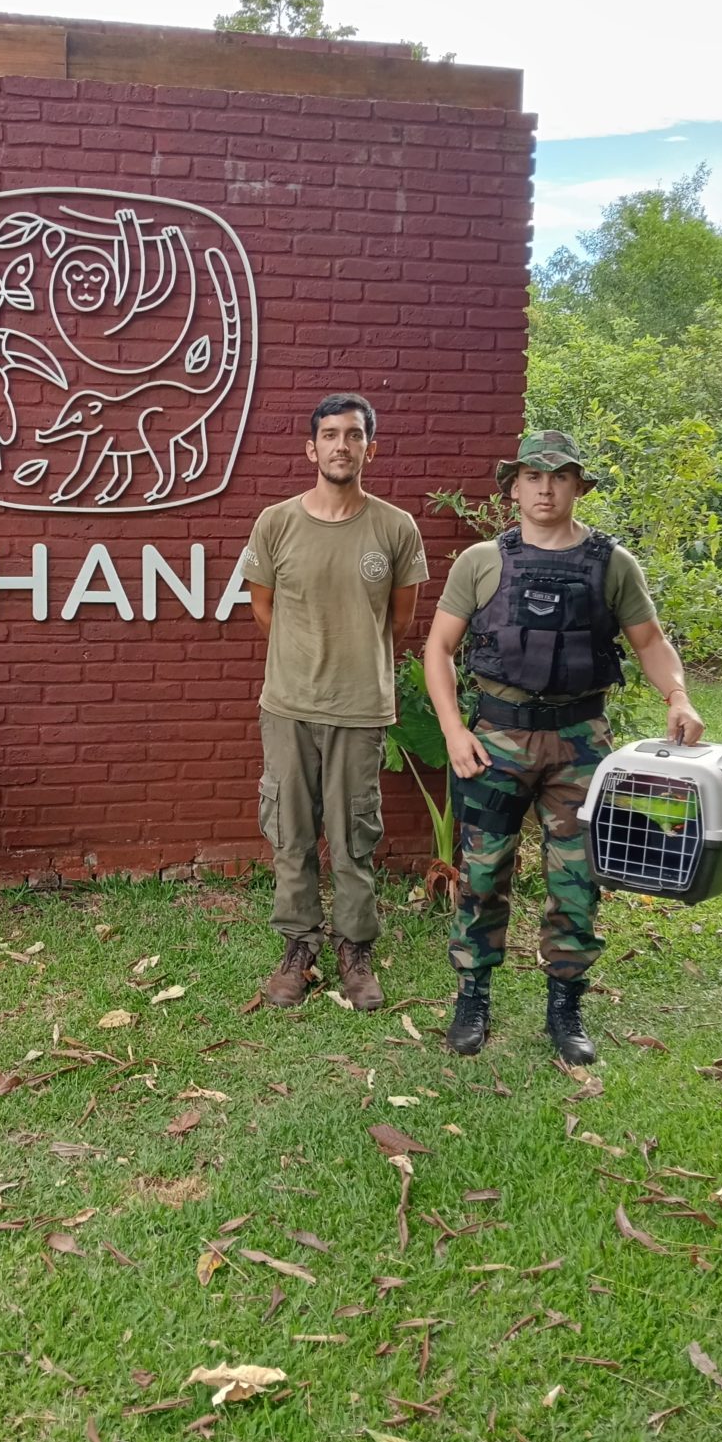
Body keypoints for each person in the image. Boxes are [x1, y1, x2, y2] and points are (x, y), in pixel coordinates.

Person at [423, 430, 705, 1063]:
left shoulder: (612, 563)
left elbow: (651, 642)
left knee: (577, 877)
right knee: (483, 871)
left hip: (582, 744)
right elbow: (437, 649)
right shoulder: (481, 561)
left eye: (559, 476)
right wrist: (452, 729)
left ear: (578, 485)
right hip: (494, 739)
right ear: (513, 487)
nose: (544, 488)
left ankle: (565, 1004)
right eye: (531, 476)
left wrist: (678, 695)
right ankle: (473, 996)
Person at [242, 392, 428, 1009]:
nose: (341, 445)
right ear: (311, 448)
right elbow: (263, 605)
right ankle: (298, 947)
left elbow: (399, 620)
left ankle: (354, 950)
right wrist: (305, 654)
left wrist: (349, 657)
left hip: (359, 708)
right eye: (329, 435)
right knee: (291, 833)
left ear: (369, 449)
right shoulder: (276, 522)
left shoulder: (395, 527)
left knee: (353, 837)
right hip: (289, 705)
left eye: (353, 435)